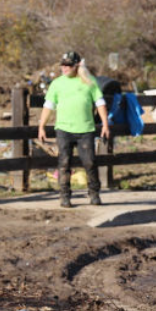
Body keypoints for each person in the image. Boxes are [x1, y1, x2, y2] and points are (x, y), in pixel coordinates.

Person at [37, 51, 110, 207]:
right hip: (64, 130)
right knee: (64, 163)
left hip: (85, 129)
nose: (64, 68)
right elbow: (48, 106)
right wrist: (42, 126)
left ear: (77, 65)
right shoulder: (57, 84)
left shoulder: (89, 82)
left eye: (68, 65)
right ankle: (64, 195)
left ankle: (94, 194)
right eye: (63, 65)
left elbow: (100, 103)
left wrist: (105, 124)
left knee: (89, 162)